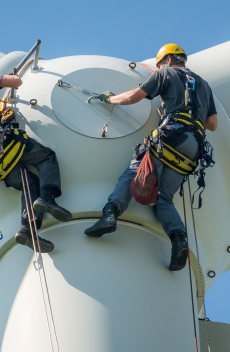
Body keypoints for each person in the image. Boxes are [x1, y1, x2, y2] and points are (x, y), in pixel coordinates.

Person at [84, 44, 218, 271]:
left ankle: (110, 214)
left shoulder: (166, 73)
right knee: (163, 198)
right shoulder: (204, 85)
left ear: (165, 60)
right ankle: (178, 239)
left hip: (171, 135)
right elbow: (212, 125)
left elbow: (134, 97)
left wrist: (110, 100)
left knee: (134, 173)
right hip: (193, 149)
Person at [0, 54, 72, 253]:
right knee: (46, 156)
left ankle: (27, 230)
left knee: (29, 182)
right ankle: (48, 198)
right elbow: (15, 81)